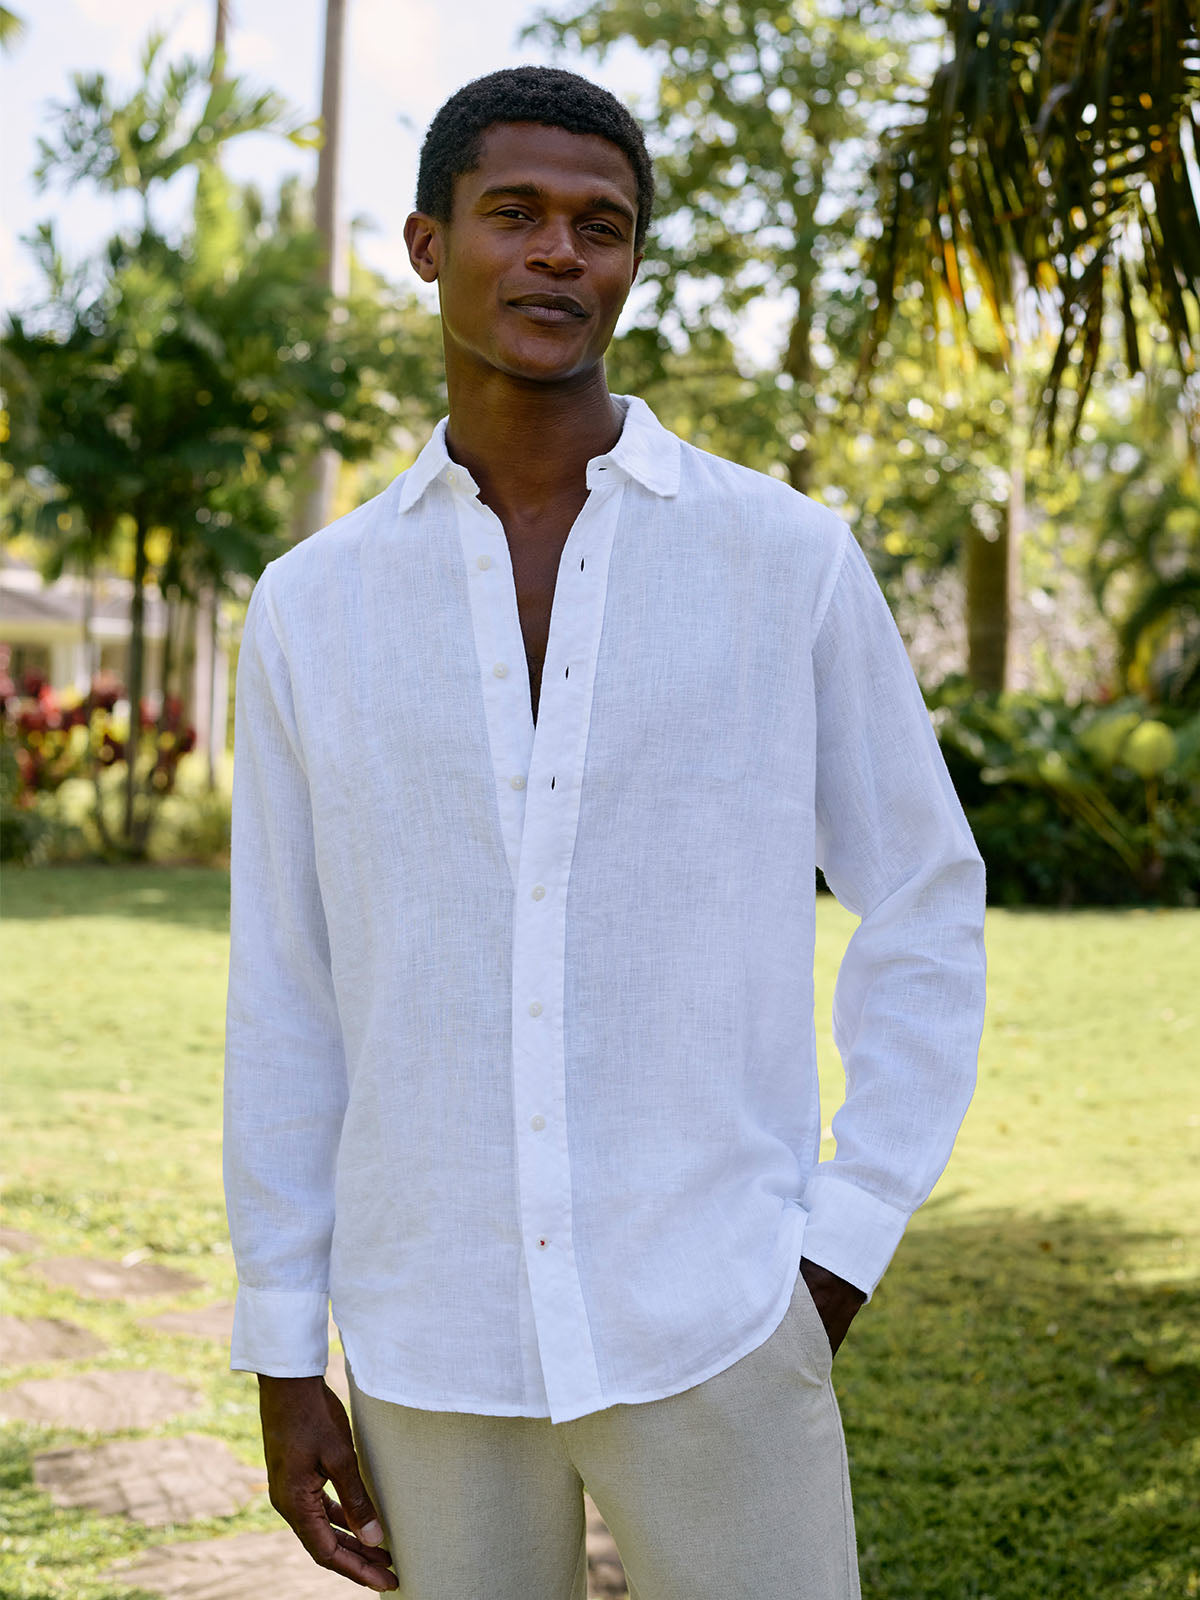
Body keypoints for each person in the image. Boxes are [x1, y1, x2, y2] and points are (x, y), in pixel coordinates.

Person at [223, 64, 987, 1600]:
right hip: (428, 1323)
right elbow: (288, 993)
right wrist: (282, 1348)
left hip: (716, 1307)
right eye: (517, 214)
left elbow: (923, 895)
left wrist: (837, 1244)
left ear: (633, 261)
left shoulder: (787, 561)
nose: (562, 253)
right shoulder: (314, 608)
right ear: (429, 243)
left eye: (603, 225)